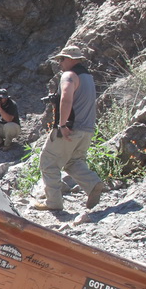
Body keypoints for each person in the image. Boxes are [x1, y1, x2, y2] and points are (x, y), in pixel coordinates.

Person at [33, 45, 106, 212]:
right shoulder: (87, 77)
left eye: (61, 59)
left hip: (70, 128)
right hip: (87, 129)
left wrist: (62, 124)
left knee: (48, 162)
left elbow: (66, 99)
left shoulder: (69, 75)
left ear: (71, 59)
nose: (59, 63)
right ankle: (93, 183)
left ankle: (53, 202)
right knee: (74, 162)